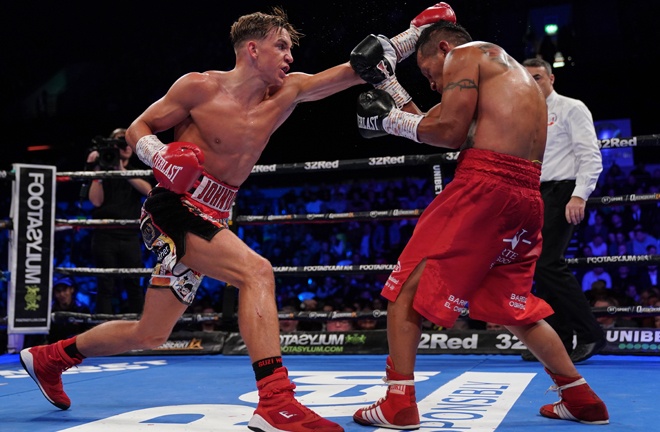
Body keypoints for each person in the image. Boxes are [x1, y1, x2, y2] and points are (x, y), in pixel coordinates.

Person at [20, 5, 451, 432]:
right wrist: (160, 156)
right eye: (280, 46)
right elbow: (140, 127)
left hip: (215, 215)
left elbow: (362, 65)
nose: (289, 57)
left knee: (149, 333)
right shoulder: (199, 87)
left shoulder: (289, 92)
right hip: (174, 207)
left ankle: (49, 358)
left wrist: (416, 30)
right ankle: (275, 402)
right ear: (252, 49)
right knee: (256, 273)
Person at [350, 18, 608, 428]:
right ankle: (580, 396)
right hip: (526, 197)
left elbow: (448, 133)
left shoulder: (464, 54)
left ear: (442, 49)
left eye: (428, 73)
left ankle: (398, 403)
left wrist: (387, 122)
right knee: (513, 307)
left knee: (404, 288)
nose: (433, 83)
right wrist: (388, 84)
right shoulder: (511, 76)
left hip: (485, 187)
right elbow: (436, 124)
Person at [521, 57, 606, 363]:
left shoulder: (572, 107)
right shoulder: (524, 114)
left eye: (538, 77)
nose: (532, 83)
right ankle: (556, 341)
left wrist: (579, 195)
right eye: (527, 78)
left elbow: (589, 154)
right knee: (537, 267)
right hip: (534, 193)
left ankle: (591, 335)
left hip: (562, 191)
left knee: (548, 263)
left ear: (551, 78)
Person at [85, 127, 152, 314]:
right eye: (120, 142)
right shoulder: (100, 170)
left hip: (129, 236)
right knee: (105, 285)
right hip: (104, 236)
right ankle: (102, 334)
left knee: (133, 284)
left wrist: (121, 170)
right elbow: (95, 201)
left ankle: (140, 333)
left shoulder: (134, 171)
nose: (126, 146)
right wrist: (97, 170)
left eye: (128, 142)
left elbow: (148, 190)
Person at [48, 277, 91, 343]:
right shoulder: (50, 310)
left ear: (72, 290)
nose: (62, 294)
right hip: (54, 347)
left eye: (65, 290)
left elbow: (87, 332)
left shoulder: (82, 309)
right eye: (58, 291)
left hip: (76, 346)